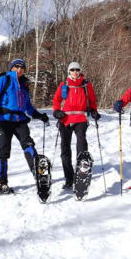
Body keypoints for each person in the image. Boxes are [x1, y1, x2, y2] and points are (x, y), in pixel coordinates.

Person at [0, 58, 49, 194]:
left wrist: (38, 115)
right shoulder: (4, 79)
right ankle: (2, 184)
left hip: (20, 120)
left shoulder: (24, 84)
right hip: (4, 120)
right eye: (17, 66)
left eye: (22, 67)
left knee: (29, 145)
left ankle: (38, 175)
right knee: (3, 151)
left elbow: (27, 106)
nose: (19, 69)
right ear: (12, 68)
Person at [52, 62, 100, 190]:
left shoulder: (85, 84)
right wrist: (57, 111)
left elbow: (92, 99)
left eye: (77, 69)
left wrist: (94, 111)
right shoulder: (64, 85)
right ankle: (69, 179)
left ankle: (81, 172)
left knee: (81, 144)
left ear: (80, 71)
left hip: (80, 118)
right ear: (69, 71)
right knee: (65, 149)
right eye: (72, 70)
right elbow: (56, 100)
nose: (75, 72)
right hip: (65, 119)